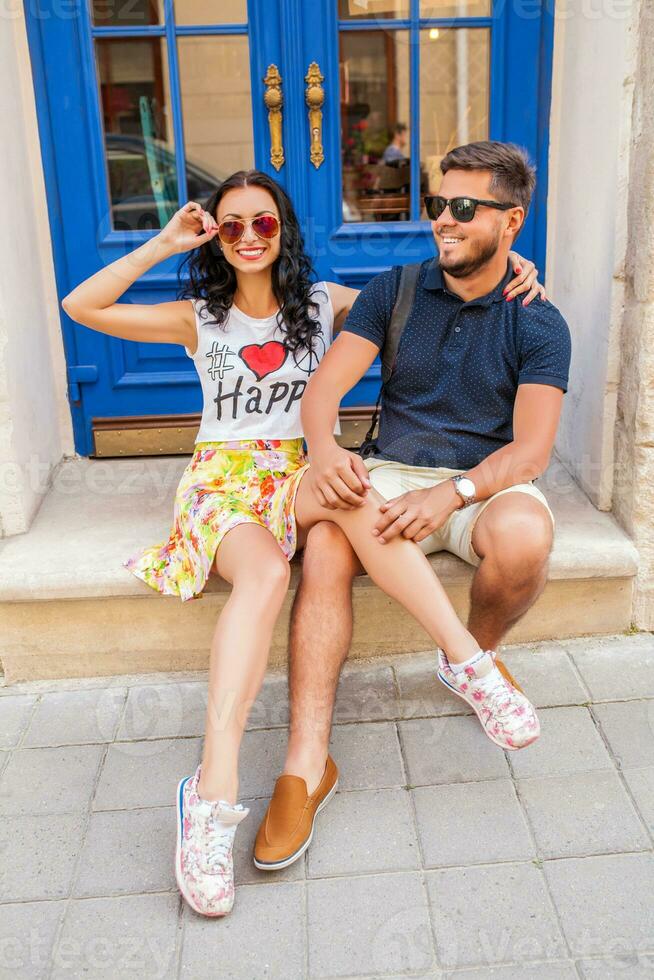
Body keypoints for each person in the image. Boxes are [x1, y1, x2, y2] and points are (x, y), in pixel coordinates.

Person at [61, 167, 544, 918]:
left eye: (263, 223)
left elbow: (435, 292)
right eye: (231, 226)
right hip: (225, 480)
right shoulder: (199, 317)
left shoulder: (327, 306)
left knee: (354, 493)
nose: (249, 237)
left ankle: (470, 662)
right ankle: (212, 796)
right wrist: (163, 242)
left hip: (303, 468)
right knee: (263, 581)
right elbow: (81, 304)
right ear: (216, 238)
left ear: (284, 230)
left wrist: (512, 261)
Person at [253, 141, 572, 875]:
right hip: (387, 474)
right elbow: (323, 393)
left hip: (480, 483)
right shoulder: (391, 291)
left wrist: (452, 494)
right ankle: (305, 766)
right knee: (330, 542)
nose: (444, 221)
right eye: (437, 205)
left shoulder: (539, 322)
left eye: (465, 208)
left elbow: (529, 454)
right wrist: (328, 451)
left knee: (524, 536)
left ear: (511, 220)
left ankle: (474, 658)